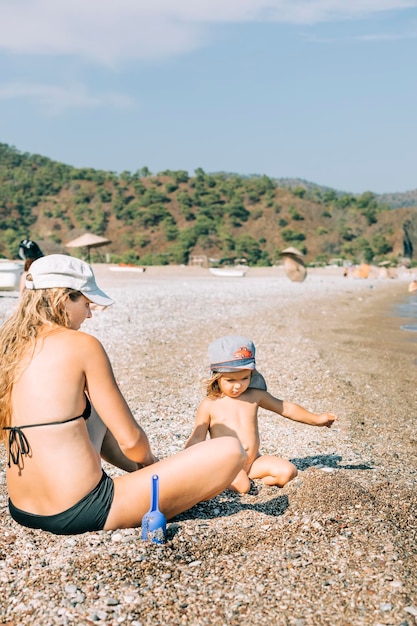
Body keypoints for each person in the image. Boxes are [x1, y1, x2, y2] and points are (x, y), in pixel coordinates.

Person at [0, 255, 246, 535]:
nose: (90, 314)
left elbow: (100, 433)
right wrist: (152, 465)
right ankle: (156, 481)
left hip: (22, 509)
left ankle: (150, 479)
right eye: (87, 303)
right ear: (63, 299)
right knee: (230, 450)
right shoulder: (83, 345)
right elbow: (131, 441)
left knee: (90, 410)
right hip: (83, 509)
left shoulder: (9, 346)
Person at [185, 335, 337, 494]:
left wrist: (318, 419)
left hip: (253, 462)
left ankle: (253, 481)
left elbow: (286, 408)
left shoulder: (255, 396)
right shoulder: (210, 404)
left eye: (244, 378)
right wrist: (187, 465)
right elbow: (197, 437)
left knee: (288, 472)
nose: (238, 386)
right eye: (230, 380)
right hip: (226, 464)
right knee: (243, 487)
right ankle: (216, 478)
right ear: (217, 378)